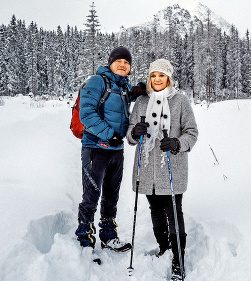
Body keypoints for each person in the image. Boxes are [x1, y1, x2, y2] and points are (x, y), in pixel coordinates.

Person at [127, 59, 198, 280]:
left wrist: (177, 143)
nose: (157, 79)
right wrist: (134, 132)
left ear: (169, 78)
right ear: (149, 78)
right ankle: (164, 248)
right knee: (155, 210)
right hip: (147, 168)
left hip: (171, 168)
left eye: (162, 75)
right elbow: (129, 134)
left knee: (174, 212)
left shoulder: (180, 101)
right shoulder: (141, 101)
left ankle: (178, 260)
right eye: (153, 75)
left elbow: (192, 132)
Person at [75, 46, 145, 254]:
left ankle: (108, 236)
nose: (122, 65)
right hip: (96, 147)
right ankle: (85, 239)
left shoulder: (123, 87)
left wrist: (141, 87)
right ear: (110, 63)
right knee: (92, 195)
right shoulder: (97, 81)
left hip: (116, 149)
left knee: (111, 196)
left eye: (126, 63)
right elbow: (86, 114)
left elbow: (137, 93)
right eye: (119, 62)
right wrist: (109, 134)